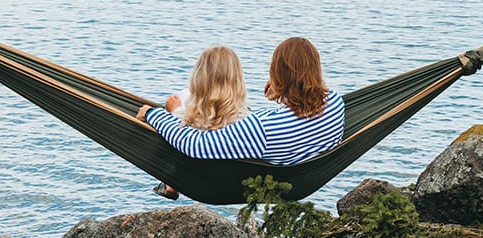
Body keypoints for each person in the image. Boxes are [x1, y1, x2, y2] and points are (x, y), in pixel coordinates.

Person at [137, 37, 345, 186]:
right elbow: (301, 120)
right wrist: (283, 94)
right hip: (307, 176)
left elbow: (195, 145)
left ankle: (170, 182)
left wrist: (156, 114)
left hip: (258, 179)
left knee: (193, 115)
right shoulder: (335, 102)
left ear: (277, 73)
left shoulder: (260, 128)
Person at [148, 45, 250, 199]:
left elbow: (175, 132)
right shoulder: (245, 119)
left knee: (167, 133)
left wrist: (172, 111)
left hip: (195, 172)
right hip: (229, 178)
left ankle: (171, 182)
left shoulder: (190, 114)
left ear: (199, 77)